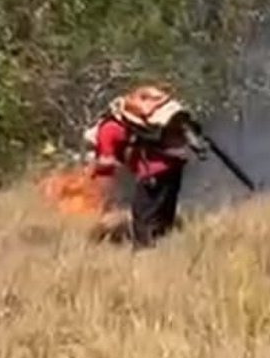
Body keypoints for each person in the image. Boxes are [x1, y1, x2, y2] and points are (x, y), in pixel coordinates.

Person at [85, 87, 206, 248]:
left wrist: (94, 168)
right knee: (164, 214)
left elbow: (107, 162)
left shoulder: (106, 131)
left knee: (142, 218)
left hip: (151, 172)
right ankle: (166, 247)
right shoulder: (135, 122)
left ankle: (144, 253)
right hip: (175, 165)